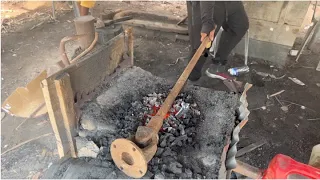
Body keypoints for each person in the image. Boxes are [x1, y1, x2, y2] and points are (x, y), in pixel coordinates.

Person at [187, 1, 249, 81]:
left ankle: (217, 64)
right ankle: (193, 76)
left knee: (240, 26)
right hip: (204, 4)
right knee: (203, 41)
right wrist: (207, 22)